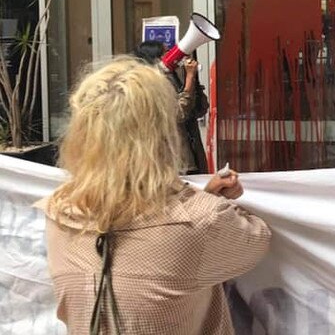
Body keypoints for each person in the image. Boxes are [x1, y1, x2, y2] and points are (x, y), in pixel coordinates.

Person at [35, 57, 270, 334]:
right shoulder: (200, 221)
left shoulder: (57, 212)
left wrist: (201, 199)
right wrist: (204, 201)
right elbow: (256, 239)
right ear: (162, 135)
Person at [133, 40, 209, 175]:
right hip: (175, 161)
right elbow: (178, 114)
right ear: (155, 59)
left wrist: (193, 81)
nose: (171, 55)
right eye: (165, 52)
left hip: (191, 154)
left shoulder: (173, 76)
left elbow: (200, 109)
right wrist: (190, 78)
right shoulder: (151, 84)